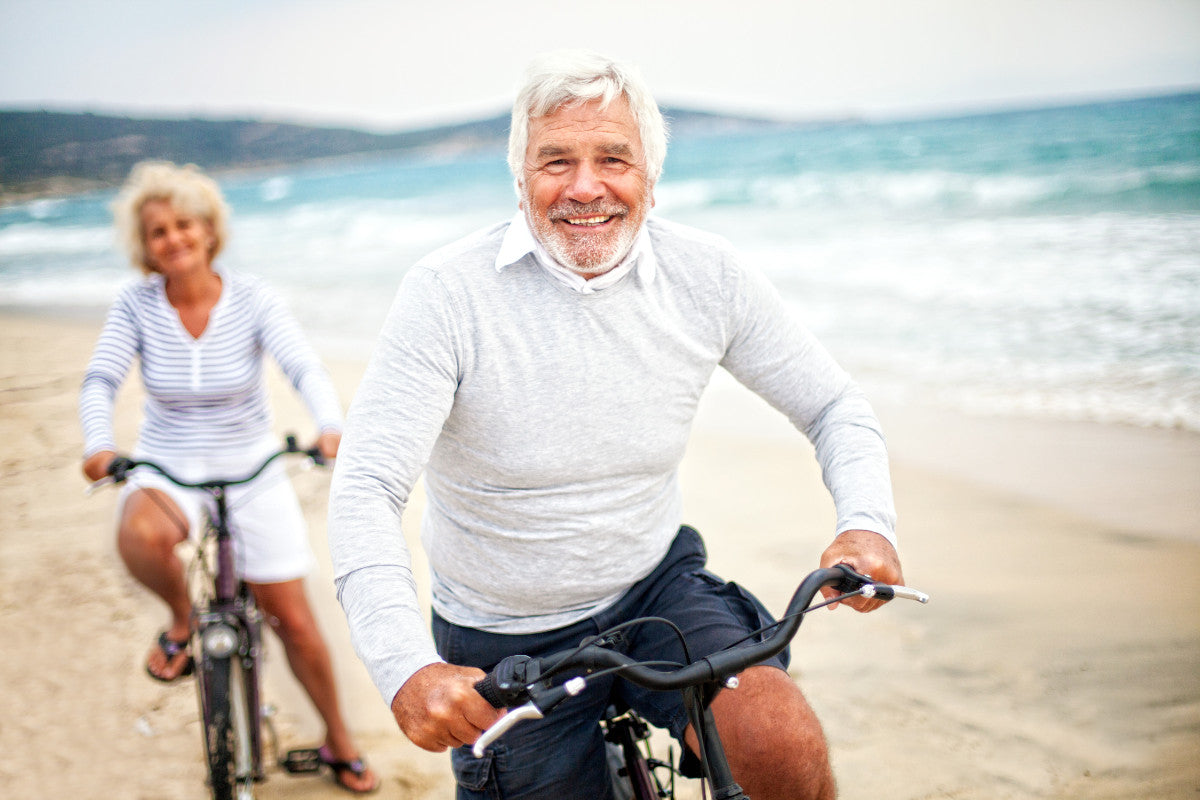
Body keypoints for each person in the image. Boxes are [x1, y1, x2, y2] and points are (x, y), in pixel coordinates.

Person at [329, 50, 901, 800]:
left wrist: (868, 523)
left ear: (651, 178)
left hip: (655, 588)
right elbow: (367, 485)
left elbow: (834, 406)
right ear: (521, 178)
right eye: (555, 161)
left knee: (778, 738)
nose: (586, 186)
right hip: (503, 633)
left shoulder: (709, 275)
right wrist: (406, 667)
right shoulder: (445, 296)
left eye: (613, 158)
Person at [79, 161, 378, 794]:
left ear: (209, 231)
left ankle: (339, 740)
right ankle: (184, 622)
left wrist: (329, 424)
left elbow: (302, 365)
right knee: (137, 531)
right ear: (145, 246)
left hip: (252, 466)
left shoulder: (254, 298)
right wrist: (99, 445)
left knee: (293, 622)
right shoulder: (136, 305)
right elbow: (101, 378)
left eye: (184, 225)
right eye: (158, 231)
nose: (173, 239)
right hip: (171, 463)